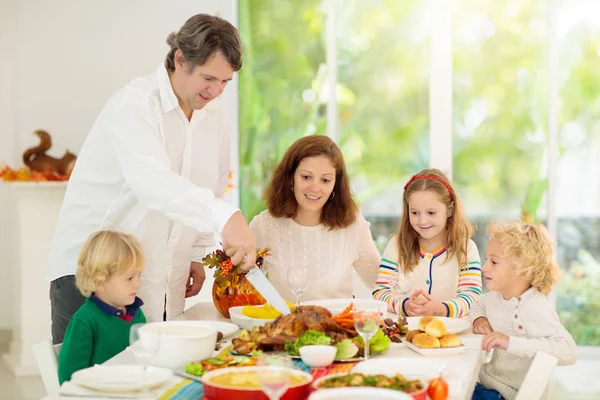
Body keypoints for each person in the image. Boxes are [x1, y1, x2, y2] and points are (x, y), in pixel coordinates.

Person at [47, 14, 256, 344]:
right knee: (91, 390)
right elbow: (154, 184)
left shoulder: (214, 115)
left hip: (154, 279)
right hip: (91, 275)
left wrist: (195, 254)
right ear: (180, 59)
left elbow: (212, 185)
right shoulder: (135, 105)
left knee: (150, 381)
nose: (216, 91)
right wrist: (226, 217)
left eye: (226, 82)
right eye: (209, 78)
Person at [249, 135, 380, 302]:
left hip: (339, 325)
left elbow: (382, 283)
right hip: (286, 326)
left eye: (325, 180)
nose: (315, 187)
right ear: (291, 177)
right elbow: (241, 287)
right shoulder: (265, 225)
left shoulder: (352, 224)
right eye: (306, 177)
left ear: (335, 184)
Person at [470, 221, 577, 400]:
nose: (484, 267)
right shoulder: (497, 296)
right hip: (485, 384)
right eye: (486, 259)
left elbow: (569, 351)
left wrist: (511, 342)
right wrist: (479, 319)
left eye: (494, 262)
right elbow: (477, 305)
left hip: (505, 395)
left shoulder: (535, 307)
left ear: (521, 268)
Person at [372, 168, 482, 317]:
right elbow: (381, 291)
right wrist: (403, 306)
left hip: (450, 334)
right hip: (406, 333)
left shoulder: (466, 248)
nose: (422, 221)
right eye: (415, 213)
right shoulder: (397, 245)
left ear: (449, 210)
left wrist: (444, 309)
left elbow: (472, 296)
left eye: (431, 213)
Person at [57, 231, 146, 384]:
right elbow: (68, 378)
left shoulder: (136, 313)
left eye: (139, 275)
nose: (138, 284)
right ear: (99, 281)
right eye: (130, 278)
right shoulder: (85, 321)